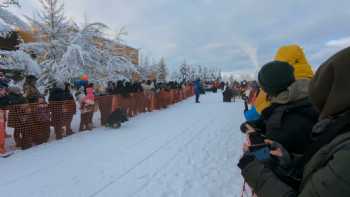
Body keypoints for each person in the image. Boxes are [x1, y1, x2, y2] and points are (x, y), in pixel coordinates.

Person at [238, 46, 350, 197]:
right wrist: (287, 160)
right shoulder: (335, 124)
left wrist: (252, 168)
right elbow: (319, 163)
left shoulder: (281, 123)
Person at [240, 61, 319, 189]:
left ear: (268, 90)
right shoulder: (307, 98)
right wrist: (258, 124)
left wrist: (251, 153)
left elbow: (272, 169)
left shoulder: (279, 124)